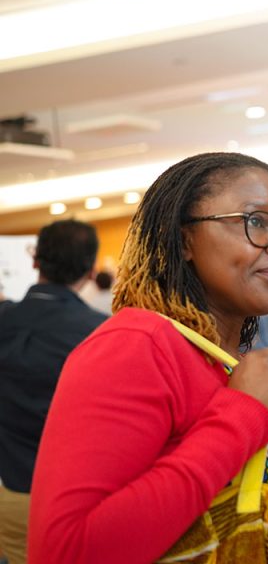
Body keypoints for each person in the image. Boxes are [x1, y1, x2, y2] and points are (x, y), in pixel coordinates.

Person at [29, 153, 268, 563]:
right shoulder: (135, 346)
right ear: (182, 239)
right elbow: (65, 552)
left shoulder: (226, 360)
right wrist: (244, 412)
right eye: (257, 222)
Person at [0, 220, 108, 564]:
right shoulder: (102, 333)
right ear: (91, 270)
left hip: (12, 490)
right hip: (80, 497)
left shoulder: (5, 320)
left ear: (35, 261)